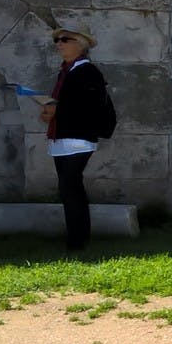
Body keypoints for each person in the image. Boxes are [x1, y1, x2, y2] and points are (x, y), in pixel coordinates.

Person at [40, 27, 113, 251]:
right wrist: (49, 112)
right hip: (63, 136)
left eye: (64, 40)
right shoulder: (66, 71)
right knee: (70, 187)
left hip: (78, 137)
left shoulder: (87, 71)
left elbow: (91, 107)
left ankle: (77, 239)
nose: (59, 44)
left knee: (69, 186)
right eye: (57, 40)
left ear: (79, 44)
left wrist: (57, 112)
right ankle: (78, 235)